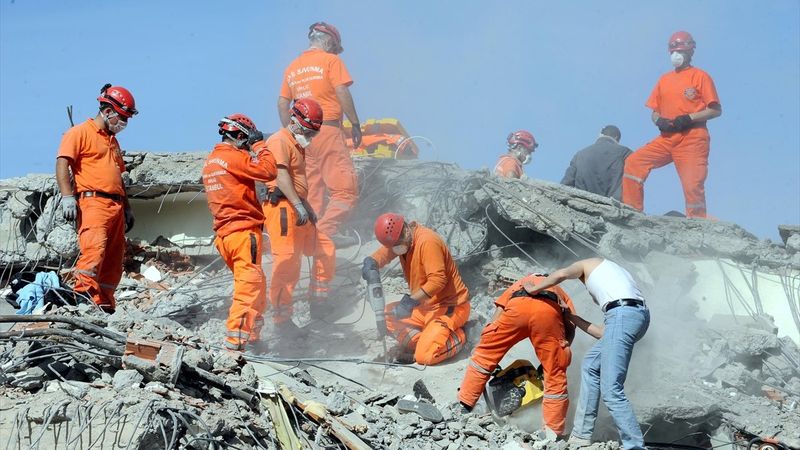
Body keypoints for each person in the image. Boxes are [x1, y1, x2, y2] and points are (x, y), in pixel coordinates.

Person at [522, 258, 650, 450]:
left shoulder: (586, 265)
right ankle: (581, 435)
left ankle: (635, 446)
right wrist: (572, 318)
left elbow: (562, 274)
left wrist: (535, 289)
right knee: (591, 364)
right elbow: (603, 334)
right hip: (633, 319)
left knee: (612, 389)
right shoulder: (616, 281)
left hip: (623, 317)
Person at [457, 274, 576, 437]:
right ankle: (552, 432)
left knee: (484, 357)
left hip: (518, 306)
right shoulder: (559, 290)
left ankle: (465, 405)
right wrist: (560, 351)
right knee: (555, 375)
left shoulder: (521, 282)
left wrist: (487, 341)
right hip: (548, 313)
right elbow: (570, 325)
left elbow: (498, 313)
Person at [278, 21, 361, 253]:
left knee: (312, 191)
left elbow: (282, 103)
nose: (335, 51)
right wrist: (355, 123)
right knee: (346, 190)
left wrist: (291, 134)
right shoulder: (331, 61)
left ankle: (307, 238)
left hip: (303, 136)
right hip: (327, 130)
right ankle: (323, 233)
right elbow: (341, 91)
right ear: (329, 41)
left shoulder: (292, 68)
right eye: (334, 46)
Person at [55, 83, 138, 313]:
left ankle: (103, 302)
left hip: (116, 205)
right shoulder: (79, 133)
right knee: (95, 250)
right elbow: (63, 163)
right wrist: (67, 197)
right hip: (93, 203)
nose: (124, 124)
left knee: (113, 259)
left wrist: (128, 208)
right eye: (122, 117)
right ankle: (82, 296)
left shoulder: (112, 140)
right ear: (108, 111)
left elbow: (119, 178)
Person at [622, 31, 722, 218]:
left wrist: (689, 118)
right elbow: (654, 110)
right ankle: (632, 211)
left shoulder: (700, 76)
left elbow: (716, 110)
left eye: (680, 51)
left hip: (692, 139)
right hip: (667, 138)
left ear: (690, 52)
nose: (676, 55)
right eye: (673, 51)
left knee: (693, 185)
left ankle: (697, 222)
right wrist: (659, 120)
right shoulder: (664, 79)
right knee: (634, 162)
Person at [202, 113, 277, 352]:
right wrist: (259, 145)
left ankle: (253, 336)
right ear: (240, 136)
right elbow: (268, 171)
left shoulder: (212, 160)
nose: (247, 148)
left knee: (257, 283)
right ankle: (235, 346)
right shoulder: (233, 157)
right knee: (249, 289)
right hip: (244, 233)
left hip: (225, 237)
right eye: (245, 142)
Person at [262, 98, 336, 336]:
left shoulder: (297, 144)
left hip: (297, 207)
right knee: (287, 264)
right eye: (307, 131)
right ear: (294, 121)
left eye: (313, 133)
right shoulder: (279, 140)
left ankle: (319, 301)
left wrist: (305, 206)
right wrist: (298, 204)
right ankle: (282, 320)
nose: (310, 136)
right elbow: (282, 178)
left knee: (324, 247)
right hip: (283, 209)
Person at [361, 213, 470, 365]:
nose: (395, 249)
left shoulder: (427, 242)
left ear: (405, 229)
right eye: (392, 246)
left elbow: (438, 281)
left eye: (397, 244)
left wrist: (410, 301)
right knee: (388, 316)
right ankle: (427, 340)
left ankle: (463, 334)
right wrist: (371, 262)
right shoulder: (402, 241)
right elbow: (383, 254)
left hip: (449, 307)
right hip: (425, 307)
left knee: (424, 357)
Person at [561, 125, 632, 200]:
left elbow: (565, 185)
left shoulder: (580, 154)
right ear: (616, 137)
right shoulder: (625, 153)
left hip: (582, 205)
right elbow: (633, 180)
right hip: (610, 208)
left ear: (600, 135)